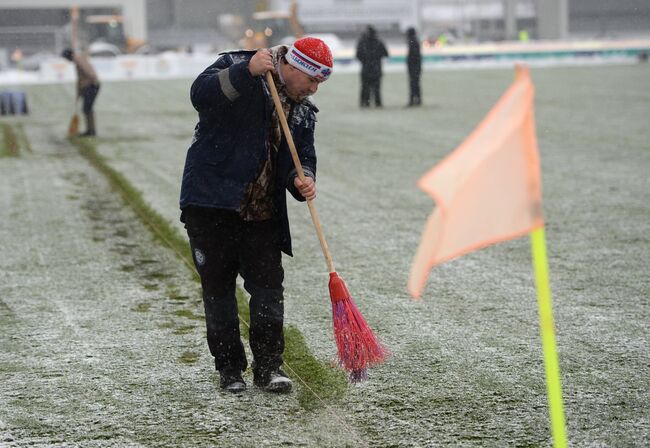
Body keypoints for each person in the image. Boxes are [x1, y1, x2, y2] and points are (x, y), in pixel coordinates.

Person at [179, 37, 333, 394]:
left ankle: (269, 368)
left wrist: (303, 178)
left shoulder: (303, 109)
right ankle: (230, 371)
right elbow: (200, 96)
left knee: (268, 292)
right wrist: (244, 71)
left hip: (263, 213)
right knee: (218, 293)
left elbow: (303, 155)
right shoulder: (238, 64)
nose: (313, 89)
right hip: (211, 204)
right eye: (311, 81)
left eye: (319, 85)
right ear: (293, 67)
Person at [62, 48, 100, 137]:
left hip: (92, 85)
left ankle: (91, 131)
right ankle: (91, 130)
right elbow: (80, 80)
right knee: (87, 109)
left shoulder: (79, 60)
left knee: (87, 109)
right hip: (90, 86)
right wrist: (79, 94)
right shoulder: (79, 59)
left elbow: (90, 74)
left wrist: (88, 83)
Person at [355, 25, 388, 108]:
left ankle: (365, 103)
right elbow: (386, 54)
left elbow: (358, 55)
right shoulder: (379, 42)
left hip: (366, 69)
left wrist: (365, 61)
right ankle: (378, 103)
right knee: (376, 89)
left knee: (365, 88)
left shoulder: (362, 42)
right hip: (377, 69)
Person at [406, 27, 422, 107]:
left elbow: (413, 56)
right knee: (415, 84)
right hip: (416, 66)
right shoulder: (414, 41)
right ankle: (417, 100)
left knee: (413, 84)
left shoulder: (412, 42)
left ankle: (413, 100)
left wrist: (410, 63)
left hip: (414, 67)